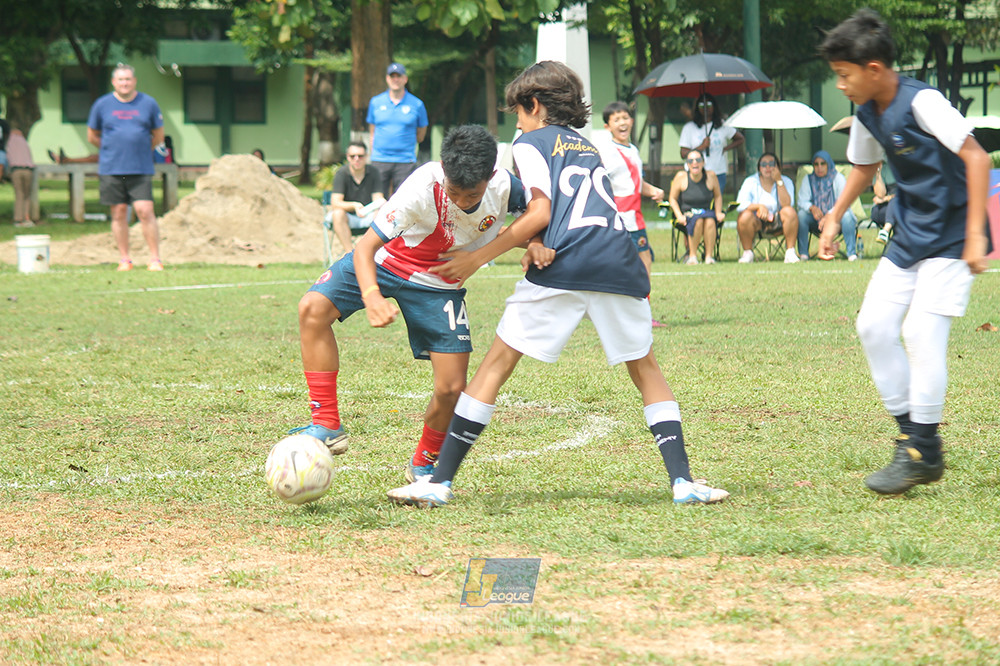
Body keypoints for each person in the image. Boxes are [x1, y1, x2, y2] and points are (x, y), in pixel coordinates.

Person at [387, 61, 729, 508]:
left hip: (566, 261)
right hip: (618, 260)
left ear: (534, 105)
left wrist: (476, 257)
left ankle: (438, 482)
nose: (517, 123)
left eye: (518, 112)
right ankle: (683, 482)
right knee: (645, 369)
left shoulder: (530, 143)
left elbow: (541, 212)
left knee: (496, 365)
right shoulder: (589, 145)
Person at [292, 125, 528, 483]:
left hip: (440, 284)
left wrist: (524, 245)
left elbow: (540, 219)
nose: (462, 202)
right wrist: (371, 295)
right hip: (387, 264)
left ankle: (424, 462)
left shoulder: (507, 186)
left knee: (451, 388)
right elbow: (366, 248)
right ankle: (326, 422)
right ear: (443, 171)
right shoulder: (422, 186)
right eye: (455, 192)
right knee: (312, 308)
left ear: (491, 176)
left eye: (472, 195)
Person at [819, 9, 990, 495]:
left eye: (843, 75)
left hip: (955, 233)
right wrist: (834, 215)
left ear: (873, 69)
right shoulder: (868, 112)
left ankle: (922, 448)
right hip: (912, 230)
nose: (840, 86)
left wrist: (977, 233)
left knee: (919, 330)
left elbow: (976, 156)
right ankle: (911, 439)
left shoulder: (924, 102)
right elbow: (863, 168)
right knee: (872, 327)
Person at [594, 101, 667, 326]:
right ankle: (624, 315)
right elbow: (599, 183)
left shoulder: (632, 150)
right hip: (620, 219)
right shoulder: (606, 153)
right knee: (628, 265)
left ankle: (640, 314)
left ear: (632, 121)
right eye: (616, 120)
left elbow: (633, 182)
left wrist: (652, 190)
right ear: (608, 126)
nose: (622, 123)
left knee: (643, 263)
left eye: (625, 118)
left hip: (636, 217)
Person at [87, 64, 165, 271]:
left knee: (145, 210)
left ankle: (155, 259)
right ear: (114, 82)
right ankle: (125, 259)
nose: (125, 83)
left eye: (128, 79)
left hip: (140, 167)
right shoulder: (102, 105)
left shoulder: (148, 103)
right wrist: (111, 149)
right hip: (112, 168)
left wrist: (141, 149)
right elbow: (92, 135)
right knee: (119, 212)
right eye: (121, 80)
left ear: (134, 81)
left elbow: (158, 136)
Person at [367, 63, 428, 196]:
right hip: (380, 159)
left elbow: (421, 133)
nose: (395, 80)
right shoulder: (376, 102)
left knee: (403, 200)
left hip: (405, 160)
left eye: (398, 76)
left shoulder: (417, 104)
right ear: (387, 79)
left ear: (405, 79)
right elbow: (373, 131)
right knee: (377, 200)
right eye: (392, 76)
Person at [735, 152, 800, 264]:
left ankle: (790, 252)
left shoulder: (786, 181)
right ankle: (748, 253)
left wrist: (779, 181)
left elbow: (787, 204)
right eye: (764, 164)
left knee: (789, 212)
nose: (768, 167)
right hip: (757, 220)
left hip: (778, 220)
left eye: (771, 164)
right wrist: (759, 206)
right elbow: (740, 204)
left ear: (778, 167)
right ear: (759, 168)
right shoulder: (750, 181)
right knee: (744, 216)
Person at [796, 150, 858, 261]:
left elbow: (844, 203)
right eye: (816, 164)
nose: (819, 167)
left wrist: (829, 216)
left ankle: (851, 254)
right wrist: (812, 208)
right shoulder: (808, 179)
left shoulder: (838, 178)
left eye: (823, 163)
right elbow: (802, 201)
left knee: (847, 216)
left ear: (828, 164)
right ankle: (804, 254)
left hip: (836, 221)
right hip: (816, 220)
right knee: (801, 215)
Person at [326, 141, 386, 255]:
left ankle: (367, 252)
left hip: (369, 216)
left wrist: (376, 205)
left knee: (381, 213)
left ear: (366, 157)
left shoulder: (374, 172)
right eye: (353, 156)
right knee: (337, 213)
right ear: (348, 157)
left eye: (360, 156)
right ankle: (350, 254)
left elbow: (378, 199)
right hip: (348, 217)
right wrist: (354, 205)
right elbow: (335, 203)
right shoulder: (341, 174)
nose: (356, 159)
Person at [679, 92, 744, 195]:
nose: (705, 108)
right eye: (701, 105)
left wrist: (725, 148)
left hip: (718, 171)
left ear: (714, 106)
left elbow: (740, 139)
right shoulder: (689, 127)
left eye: (709, 105)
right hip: (696, 173)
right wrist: (702, 147)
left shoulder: (722, 125)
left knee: (715, 203)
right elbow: (683, 154)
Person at [667, 149, 724, 265]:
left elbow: (718, 196)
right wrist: (678, 216)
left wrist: (718, 212)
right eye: (691, 161)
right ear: (687, 164)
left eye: (698, 160)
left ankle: (709, 257)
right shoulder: (681, 177)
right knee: (697, 221)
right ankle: (692, 256)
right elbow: (672, 199)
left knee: (710, 221)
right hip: (687, 214)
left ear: (703, 162)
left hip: (706, 212)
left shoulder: (711, 176)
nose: (695, 163)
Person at [6, 127, 36, 228]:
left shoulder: (9, 142)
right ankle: (27, 218)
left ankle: (18, 219)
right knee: (27, 195)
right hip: (28, 170)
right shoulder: (24, 141)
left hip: (16, 170)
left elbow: (8, 157)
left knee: (19, 194)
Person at [870, 163, 896, 245]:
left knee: (895, 201)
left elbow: (908, 194)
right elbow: (880, 194)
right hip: (885, 211)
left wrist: (887, 198)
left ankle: (886, 230)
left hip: (906, 207)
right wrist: (878, 172)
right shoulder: (884, 169)